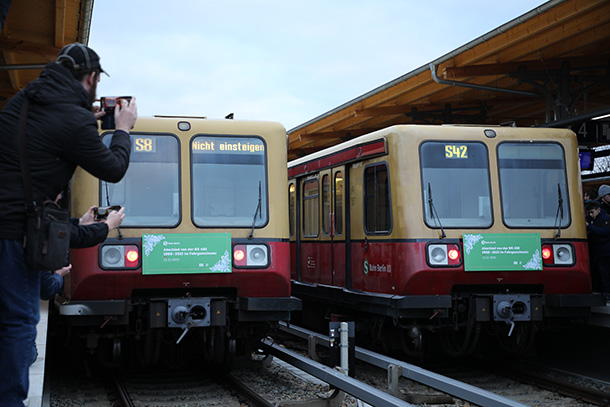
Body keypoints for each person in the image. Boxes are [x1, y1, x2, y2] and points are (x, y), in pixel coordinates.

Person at [0, 42, 137, 406]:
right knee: (17, 324)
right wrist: (122, 129)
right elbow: (114, 167)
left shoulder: (23, 101)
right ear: (91, 78)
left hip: (8, 222)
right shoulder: (73, 120)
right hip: (15, 236)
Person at [31, 206, 126, 366]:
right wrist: (107, 226)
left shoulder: (25, 220)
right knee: (28, 354)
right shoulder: (37, 228)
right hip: (15, 317)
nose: (60, 198)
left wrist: (79, 223)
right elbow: (46, 290)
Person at [585, 200, 610, 303]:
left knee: (605, 273)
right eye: (589, 213)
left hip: (605, 251)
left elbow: (603, 232)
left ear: (598, 210)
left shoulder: (605, 219)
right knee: (601, 273)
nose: (591, 215)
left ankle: (606, 293)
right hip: (599, 251)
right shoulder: (595, 220)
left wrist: (589, 226)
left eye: (592, 212)